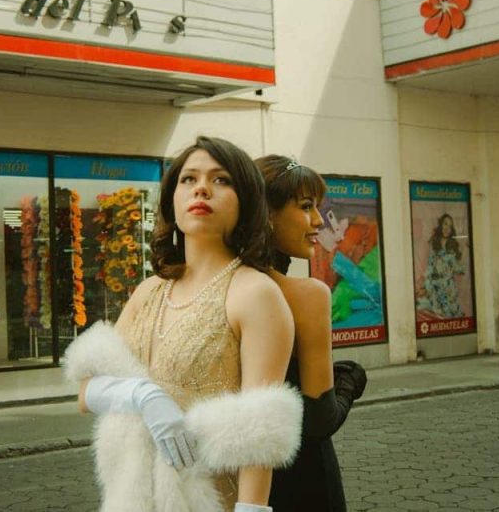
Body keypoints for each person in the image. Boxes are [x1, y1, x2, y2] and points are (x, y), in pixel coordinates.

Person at [64, 137, 301, 512]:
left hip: (207, 497)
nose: (202, 188)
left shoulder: (255, 294)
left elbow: (262, 432)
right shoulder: (149, 291)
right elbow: (86, 392)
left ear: (247, 202)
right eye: (188, 179)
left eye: (221, 180)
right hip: (133, 496)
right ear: (172, 201)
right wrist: (145, 396)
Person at [255, 155, 368, 512]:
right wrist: (351, 379)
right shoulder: (306, 294)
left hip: (237, 481)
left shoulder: (220, 286)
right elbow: (320, 421)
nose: (319, 221)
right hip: (303, 479)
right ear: (267, 214)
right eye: (306, 207)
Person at [415, 213, 466, 318]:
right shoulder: (435, 243)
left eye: (450, 226)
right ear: (441, 225)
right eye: (445, 224)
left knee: (450, 318)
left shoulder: (453, 245)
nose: (447, 228)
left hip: (448, 289)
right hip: (435, 288)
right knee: (424, 309)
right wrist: (423, 278)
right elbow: (430, 265)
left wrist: (465, 251)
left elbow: (459, 269)